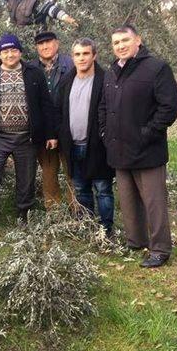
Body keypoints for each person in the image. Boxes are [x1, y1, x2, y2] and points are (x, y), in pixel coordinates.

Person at [99, 24, 177, 268]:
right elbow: (104, 106)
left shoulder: (156, 68)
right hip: (119, 150)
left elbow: (169, 108)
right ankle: (135, 241)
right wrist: (105, 132)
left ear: (138, 41)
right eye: (116, 43)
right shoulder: (112, 71)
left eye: (125, 40)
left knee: (154, 203)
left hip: (148, 150)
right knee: (128, 200)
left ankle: (160, 249)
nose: (120, 46)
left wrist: (147, 133)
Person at [0, 34, 58, 227]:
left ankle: (23, 213)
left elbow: (46, 105)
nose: (10, 54)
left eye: (13, 50)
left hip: (27, 138)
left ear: (20, 52)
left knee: (26, 178)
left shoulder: (34, 73)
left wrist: (51, 134)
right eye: (5, 51)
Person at [57, 38, 114, 233]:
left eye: (86, 53)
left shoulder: (105, 80)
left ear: (94, 55)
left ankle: (106, 230)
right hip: (73, 146)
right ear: (72, 57)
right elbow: (59, 112)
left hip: (97, 145)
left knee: (103, 189)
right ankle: (88, 228)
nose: (81, 58)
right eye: (77, 54)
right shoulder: (66, 81)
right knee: (81, 189)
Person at [30, 30, 74, 208]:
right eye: (41, 44)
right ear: (36, 47)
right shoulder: (31, 68)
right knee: (48, 172)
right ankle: (53, 211)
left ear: (57, 44)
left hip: (68, 125)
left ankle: (77, 211)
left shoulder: (70, 64)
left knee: (72, 170)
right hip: (44, 128)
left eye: (49, 42)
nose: (45, 46)